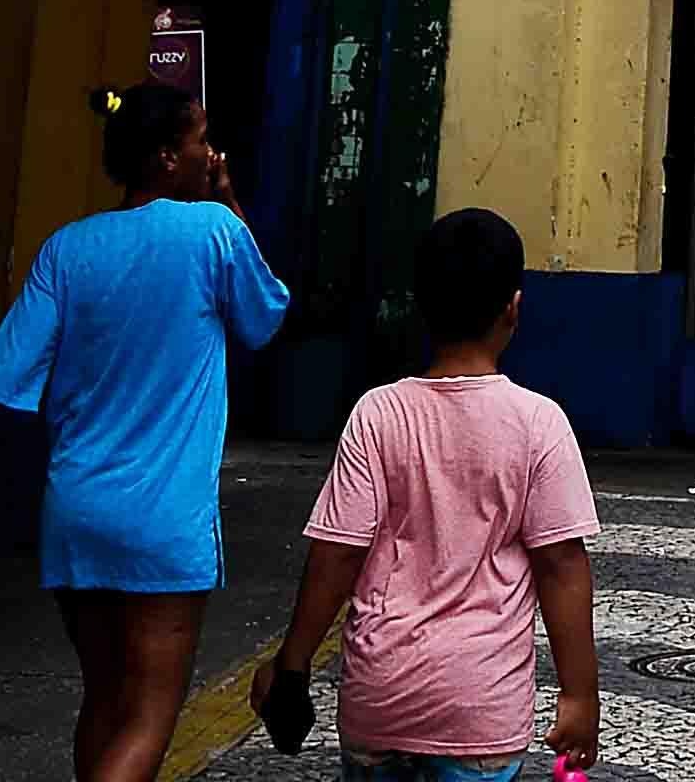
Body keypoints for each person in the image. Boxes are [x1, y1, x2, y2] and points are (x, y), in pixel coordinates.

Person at [0, 84, 288, 782]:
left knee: (103, 701)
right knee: (149, 716)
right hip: (163, 523)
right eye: (201, 142)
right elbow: (264, 316)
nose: (212, 154)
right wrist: (226, 197)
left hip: (77, 513)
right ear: (168, 158)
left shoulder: (68, 250)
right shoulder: (212, 233)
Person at [250, 209, 599, 781]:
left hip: (380, 697)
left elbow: (337, 555)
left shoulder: (377, 413)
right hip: (480, 709)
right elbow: (562, 566)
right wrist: (579, 695)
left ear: (420, 308)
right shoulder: (540, 423)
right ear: (513, 308)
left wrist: (291, 665)